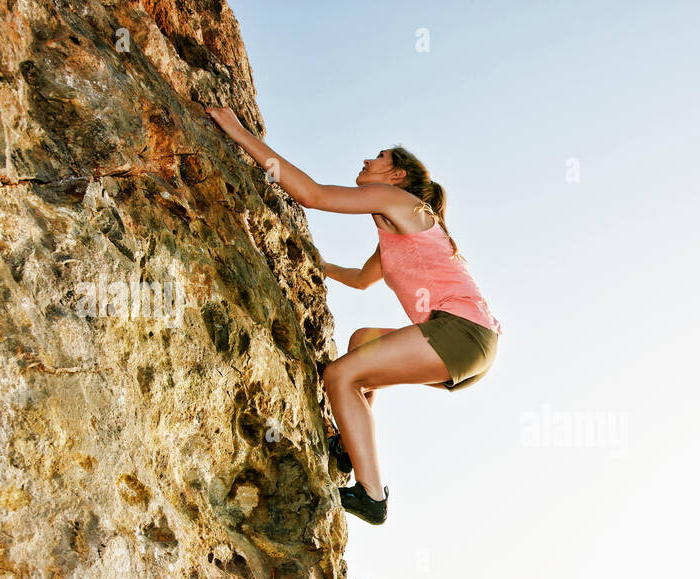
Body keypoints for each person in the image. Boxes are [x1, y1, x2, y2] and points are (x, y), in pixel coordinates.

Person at [205, 108, 502, 525]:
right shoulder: (394, 232)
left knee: (339, 376)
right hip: (470, 346)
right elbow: (363, 280)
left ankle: (371, 494)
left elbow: (314, 195)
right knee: (363, 339)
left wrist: (238, 133)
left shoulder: (399, 202)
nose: (367, 161)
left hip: (461, 333)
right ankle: (349, 445)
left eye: (379, 157)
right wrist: (316, 263)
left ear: (397, 175)